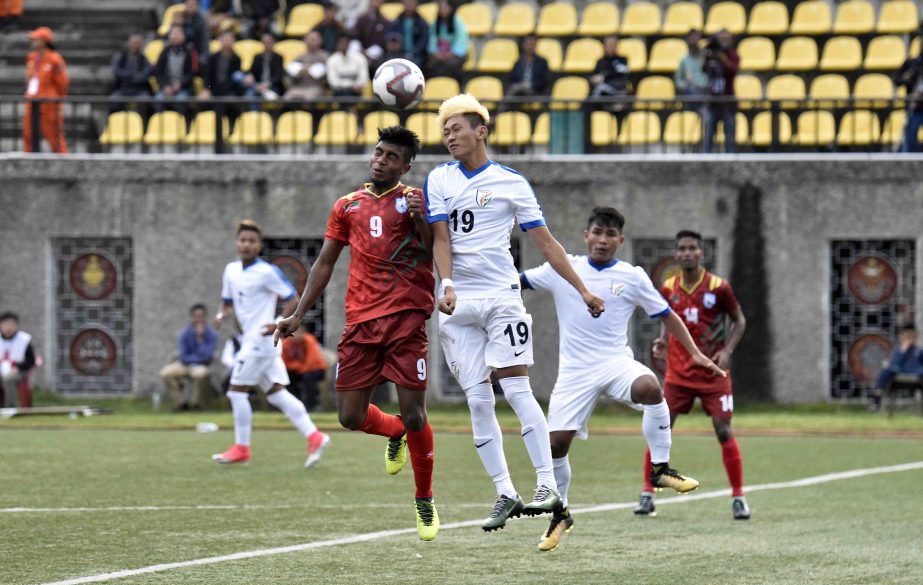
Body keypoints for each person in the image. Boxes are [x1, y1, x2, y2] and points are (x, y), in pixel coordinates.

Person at [425, 94, 606, 532]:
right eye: (445, 130)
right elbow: (441, 238)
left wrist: (582, 288)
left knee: (517, 389)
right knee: (477, 399)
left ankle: (548, 485)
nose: (449, 136)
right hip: (457, 301)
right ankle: (505, 491)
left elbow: (547, 243)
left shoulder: (512, 182)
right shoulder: (438, 179)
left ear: (481, 131)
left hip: (503, 297)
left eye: (457, 129)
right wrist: (446, 285)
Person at [520, 208, 724, 551]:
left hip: (615, 363)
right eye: (597, 232)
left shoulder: (633, 276)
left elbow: (667, 315)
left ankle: (660, 468)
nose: (602, 240)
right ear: (586, 234)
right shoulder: (561, 268)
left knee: (650, 387)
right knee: (555, 445)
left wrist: (694, 352)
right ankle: (561, 513)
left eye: (610, 235)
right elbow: (516, 282)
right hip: (574, 372)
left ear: (620, 240)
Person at [274, 126, 439, 541]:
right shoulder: (347, 205)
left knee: (417, 411)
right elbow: (325, 264)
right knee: (349, 416)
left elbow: (431, 250)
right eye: (378, 152)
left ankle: (424, 497)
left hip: (405, 320)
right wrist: (297, 312)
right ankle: (394, 430)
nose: (380, 160)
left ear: (406, 166)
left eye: (390, 157)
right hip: (362, 321)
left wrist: (422, 219)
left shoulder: (415, 201)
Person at [637, 229, 750, 520]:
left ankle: (738, 497)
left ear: (701, 253)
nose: (687, 253)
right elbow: (666, 319)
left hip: (714, 372)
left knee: (723, 430)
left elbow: (739, 321)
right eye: (682, 249)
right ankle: (647, 494)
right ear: (677, 254)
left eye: (692, 248)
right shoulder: (669, 287)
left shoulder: (718, 287)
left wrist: (729, 351)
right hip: (678, 374)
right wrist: (662, 340)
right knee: (660, 428)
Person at [212, 220, 330, 468]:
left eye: (251, 241)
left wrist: (277, 322)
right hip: (249, 341)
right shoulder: (231, 270)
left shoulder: (266, 272)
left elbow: (292, 298)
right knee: (277, 394)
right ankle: (315, 436)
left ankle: (242, 448)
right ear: (237, 243)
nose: (246, 244)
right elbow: (226, 302)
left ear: (259, 245)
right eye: (243, 240)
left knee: (235, 392)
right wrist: (222, 315)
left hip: (261, 341)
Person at [159, 304, 219, 411]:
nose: (199, 318)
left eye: (201, 315)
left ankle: (195, 404)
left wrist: (200, 340)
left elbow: (208, 355)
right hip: (185, 364)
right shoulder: (185, 333)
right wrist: (196, 358)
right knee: (165, 373)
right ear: (192, 317)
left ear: (205, 317)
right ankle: (180, 403)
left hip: (202, 365)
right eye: (196, 315)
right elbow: (183, 355)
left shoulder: (211, 334)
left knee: (199, 374)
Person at [22, 27, 69, 154]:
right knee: (28, 134)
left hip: (49, 103)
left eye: (35, 38)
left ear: (44, 41)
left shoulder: (54, 59)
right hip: (32, 101)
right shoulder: (31, 57)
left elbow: (62, 82)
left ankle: (62, 161)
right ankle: (28, 160)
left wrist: (56, 98)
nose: (32, 40)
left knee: (54, 135)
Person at [702, 29, 740, 154]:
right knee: (708, 137)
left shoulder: (733, 55)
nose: (723, 41)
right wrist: (708, 57)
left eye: (726, 38)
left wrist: (722, 58)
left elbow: (733, 70)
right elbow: (704, 70)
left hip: (728, 101)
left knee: (729, 138)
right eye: (721, 39)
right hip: (713, 102)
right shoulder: (711, 54)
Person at [868, 325, 923, 410]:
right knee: (887, 370)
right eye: (907, 335)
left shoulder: (919, 351)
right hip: (900, 373)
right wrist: (902, 351)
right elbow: (894, 365)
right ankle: (876, 399)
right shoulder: (897, 350)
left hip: (916, 374)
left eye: (911, 335)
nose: (909, 338)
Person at [281, 323, 328, 412]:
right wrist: (296, 367)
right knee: (285, 377)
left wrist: (296, 367)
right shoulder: (286, 342)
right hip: (297, 370)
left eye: (299, 331)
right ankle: (294, 405)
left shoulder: (310, 340)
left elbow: (311, 362)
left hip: (316, 369)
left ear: (304, 332)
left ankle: (312, 406)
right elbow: (283, 362)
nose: (297, 334)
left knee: (308, 377)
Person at [154, 24, 199, 106]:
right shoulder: (164, 52)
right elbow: (158, 72)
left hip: (184, 88)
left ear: (184, 36)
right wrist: (164, 86)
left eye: (178, 33)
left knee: (181, 100)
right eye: (173, 33)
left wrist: (180, 84)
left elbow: (193, 72)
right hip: (166, 88)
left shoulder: (191, 52)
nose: (175, 36)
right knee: (158, 99)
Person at [0, 312, 36, 408]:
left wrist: (18, 367)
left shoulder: (24, 339)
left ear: (16, 325)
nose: (8, 328)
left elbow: (31, 360)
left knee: (8, 380)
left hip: (18, 371)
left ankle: (10, 408)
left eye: (11, 325)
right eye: (5, 324)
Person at [425, 0, 467, 80]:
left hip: (454, 55)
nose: (442, 9)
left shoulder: (458, 23)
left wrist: (450, 53)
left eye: (445, 6)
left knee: (452, 65)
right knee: (431, 64)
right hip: (439, 55)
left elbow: (461, 42)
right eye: (441, 6)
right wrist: (436, 52)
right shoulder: (435, 24)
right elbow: (432, 41)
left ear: (451, 8)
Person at [283, 31, 329, 101]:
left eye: (313, 40)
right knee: (286, 98)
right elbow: (291, 69)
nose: (311, 42)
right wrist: (302, 70)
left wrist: (309, 69)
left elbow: (324, 72)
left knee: (308, 99)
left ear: (320, 41)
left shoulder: (324, 56)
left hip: (316, 86)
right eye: (309, 40)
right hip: (299, 86)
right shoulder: (300, 57)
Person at [199, 30, 245, 99]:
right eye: (225, 39)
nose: (227, 42)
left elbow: (235, 79)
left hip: (230, 90)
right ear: (220, 40)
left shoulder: (237, 59)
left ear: (234, 41)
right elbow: (208, 75)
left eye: (230, 40)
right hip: (214, 89)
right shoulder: (212, 58)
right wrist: (207, 89)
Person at [894, 47, 923, 153]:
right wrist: (909, 76)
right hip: (915, 108)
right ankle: (911, 160)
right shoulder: (912, 64)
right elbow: (898, 80)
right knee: (910, 135)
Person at [110, 33, 153, 103]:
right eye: (133, 43)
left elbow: (145, 76)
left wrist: (127, 77)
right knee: (114, 99)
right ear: (129, 43)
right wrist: (133, 74)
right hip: (122, 88)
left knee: (145, 99)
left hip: (139, 89)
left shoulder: (144, 58)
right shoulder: (121, 56)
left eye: (138, 43)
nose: (135, 45)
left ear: (141, 44)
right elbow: (116, 71)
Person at [244, 30, 285, 100]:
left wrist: (267, 84)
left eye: (269, 42)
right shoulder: (257, 57)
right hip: (257, 85)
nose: (267, 44)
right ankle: (253, 111)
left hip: (271, 85)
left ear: (273, 42)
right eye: (264, 42)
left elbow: (278, 75)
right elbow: (252, 71)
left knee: (274, 97)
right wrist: (250, 75)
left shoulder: (278, 57)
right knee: (249, 96)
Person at [326, 34, 368, 101]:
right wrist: (350, 85)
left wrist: (354, 86)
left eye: (345, 42)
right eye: (341, 42)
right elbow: (332, 82)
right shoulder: (332, 59)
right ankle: (351, 110)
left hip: (356, 91)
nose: (343, 44)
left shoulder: (360, 58)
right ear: (337, 44)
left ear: (349, 43)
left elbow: (364, 79)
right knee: (344, 93)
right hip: (339, 92)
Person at [387, 0, 429, 68]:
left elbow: (424, 40)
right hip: (399, 53)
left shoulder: (422, 22)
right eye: (407, 2)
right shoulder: (397, 20)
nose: (409, 4)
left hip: (417, 54)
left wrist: (413, 52)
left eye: (412, 2)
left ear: (416, 4)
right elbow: (391, 35)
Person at [674, 29, 708, 111]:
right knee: (692, 92)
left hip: (705, 90)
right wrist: (685, 85)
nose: (694, 40)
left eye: (696, 37)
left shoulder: (707, 58)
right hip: (690, 91)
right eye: (691, 38)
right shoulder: (684, 60)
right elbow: (678, 81)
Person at [352, 0, 390, 69]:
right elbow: (355, 35)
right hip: (361, 47)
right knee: (354, 44)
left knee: (377, 50)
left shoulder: (384, 21)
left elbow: (381, 41)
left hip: (374, 48)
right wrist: (361, 49)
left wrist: (366, 53)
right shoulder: (362, 18)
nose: (376, 2)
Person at [589, 36, 630, 100]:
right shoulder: (600, 61)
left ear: (616, 46)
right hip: (602, 91)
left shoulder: (622, 59)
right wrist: (594, 79)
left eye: (611, 45)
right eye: (607, 45)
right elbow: (594, 74)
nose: (609, 48)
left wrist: (604, 76)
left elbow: (621, 72)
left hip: (617, 89)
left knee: (600, 89)